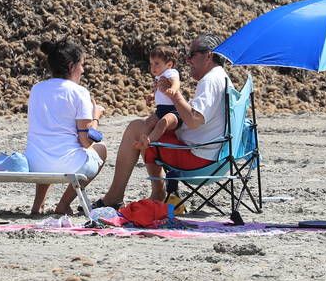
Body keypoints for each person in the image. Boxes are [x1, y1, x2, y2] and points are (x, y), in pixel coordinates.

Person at [95, 32, 229, 208]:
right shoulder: (222, 77)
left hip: (199, 160)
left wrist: (175, 96)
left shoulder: (210, 80)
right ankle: (156, 192)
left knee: (137, 129)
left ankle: (120, 196)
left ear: (209, 55)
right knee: (147, 127)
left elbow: (194, 120)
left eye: (192, 55)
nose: (188, 60)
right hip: (219, 157)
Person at [25, 39, 108, 216]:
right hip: (69, 164)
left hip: (35, 162)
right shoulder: (79, 92)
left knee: (47, 144)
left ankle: (37, 205)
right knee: (101, 150)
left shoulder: (37, 89)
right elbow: (85, 141)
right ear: (71, 66)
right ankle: (63, 204)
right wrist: (96, 116)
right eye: (81, 65)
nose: (83, 70)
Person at [139, 45, 181, 146]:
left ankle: (149, 140)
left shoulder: (170, 72)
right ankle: (142, 138)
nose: (153, 67)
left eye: (157, 63)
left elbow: (176, 82)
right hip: (160, 109)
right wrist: (152, 95)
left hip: (173, 110)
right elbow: (157, 90)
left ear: (169, 64)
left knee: (163, 122)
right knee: (148, 122)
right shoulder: (159, 77)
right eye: (151, 63)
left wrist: (173, 89)